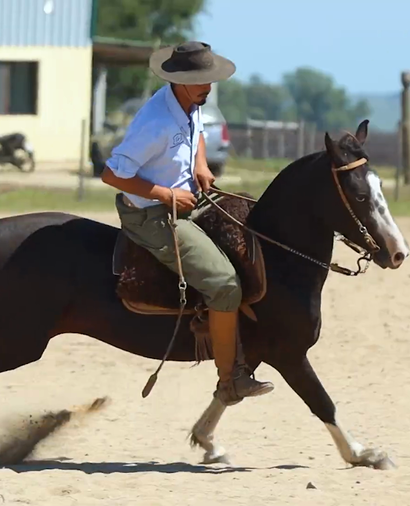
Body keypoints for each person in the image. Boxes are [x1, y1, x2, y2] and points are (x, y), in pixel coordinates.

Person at [100, 41, 274, 406]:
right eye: (200, 80)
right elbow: (112, 173)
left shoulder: (189, 103)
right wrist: (165, 194)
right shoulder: (155, 123)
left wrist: (201, 165)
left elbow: (197, 136)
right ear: (177, 81)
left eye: (209, 79)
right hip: (151, 215)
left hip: (184, 201)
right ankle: (231, 381)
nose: (207, 87)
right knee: (225, 285)